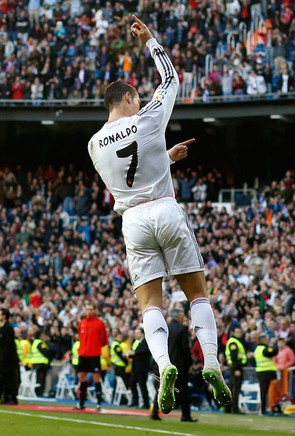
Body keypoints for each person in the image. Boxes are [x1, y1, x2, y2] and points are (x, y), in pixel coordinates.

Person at [86, 13, 231, 416]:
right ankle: (212, 364)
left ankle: (165, 366)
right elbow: (170, 80)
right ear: (130, 98)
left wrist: (165, 158)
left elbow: (128, 177)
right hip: (165, 209)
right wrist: (150, 40)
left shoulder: (94, 145)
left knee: (150, 303)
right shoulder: (146, 119)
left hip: (132, 220)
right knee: (197, 293)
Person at [75, 302, 108, 411]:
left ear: (94, 310)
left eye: (90, 309)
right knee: (82, 377)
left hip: (94, 354)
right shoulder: (82, 323)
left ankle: (98, 403)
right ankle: (81, 402)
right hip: (83, 354)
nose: (88, 311)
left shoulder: (99, 323)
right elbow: (80, 336)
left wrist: (95, 346)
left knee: (96, 378)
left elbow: (104, 340)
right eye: (86, 309)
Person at [168, 307, 197, 422]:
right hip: (179, 364)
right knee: (184, 389)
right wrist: (189, 363)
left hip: (167, 361)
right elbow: (185, 348)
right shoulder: (182, 329)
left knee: (164, 386)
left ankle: (155, 411)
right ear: (179, 317)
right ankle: (186, 414)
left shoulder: (167, 328)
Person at [0, 308, 20, 405]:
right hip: (3, 358)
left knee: (10, 379)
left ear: (4, 316)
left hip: (8, 359)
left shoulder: (8, 328)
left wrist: (3, 357)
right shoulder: (3, 328)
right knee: (4, 379)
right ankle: (5, 397)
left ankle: (12, 398)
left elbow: (8, 345)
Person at [253, 333, 278, 415]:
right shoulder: (263, 349)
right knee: (264, 392)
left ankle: (264, 409)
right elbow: (273, 352)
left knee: (264, 392)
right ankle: (263, 409)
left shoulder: (257, 349)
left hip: (261, 372)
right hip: (265, 372)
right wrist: (275, 344)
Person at [127, 327, 151, 409]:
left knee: (142, 385)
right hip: (136, 367)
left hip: (142, 368)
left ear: (142, 334)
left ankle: (146, 403)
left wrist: (134, 353)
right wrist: (129, 354)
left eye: (137, 333)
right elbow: (134, 352)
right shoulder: (136, 342)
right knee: (132, 383)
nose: (135, 335)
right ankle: (135, 401)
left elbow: (145, 351)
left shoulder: (146, 342)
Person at [226, 327, 247, 414]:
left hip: (234, 367)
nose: (239, 333)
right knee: (235, 389)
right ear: (233, 333)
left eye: (240, 332)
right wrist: (236, 369)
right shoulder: (234, 342)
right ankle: (234, 408)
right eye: (237, 332)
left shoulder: (235, 341)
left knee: (231, 388)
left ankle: (228, 408)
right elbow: (234, 357)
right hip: (236, 367)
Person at [27, 326, 51, 397]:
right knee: (40, 380)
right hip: (40, 363)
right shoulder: (40, 343)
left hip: (37, 363)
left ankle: (38, 392)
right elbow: (46, 353)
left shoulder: (35, 342)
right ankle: (39, 393)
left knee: (38, 379)